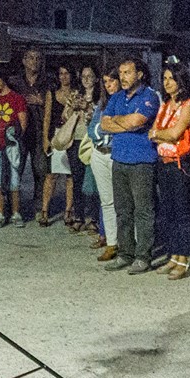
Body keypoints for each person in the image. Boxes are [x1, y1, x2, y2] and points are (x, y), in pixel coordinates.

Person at [100, 56, 161, 274]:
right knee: (122, 210)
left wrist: (121, 121)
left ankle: (143, 256)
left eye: (127, 72)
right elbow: (104, 124)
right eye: (121, 73)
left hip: (142, 161)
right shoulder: (117, 97)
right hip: (120, 160)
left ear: (140, 74)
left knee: (143, 211)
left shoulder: (150, 97)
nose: (123, 77)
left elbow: (137, 123)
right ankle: (126, 252)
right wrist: (124, 121)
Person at [149, 65, 190, 277]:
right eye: (165, 78)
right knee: (169, 211)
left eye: (172, 78)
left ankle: (184, 259)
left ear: (182, 81)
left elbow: (175, 133)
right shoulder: (166, 105)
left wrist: (159, 134)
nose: (167, 82)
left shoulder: (189, 106)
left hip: (181, 164)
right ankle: (174, 256)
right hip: (164, 162)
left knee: (182, 211)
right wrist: (161, 133)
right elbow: (154, 133)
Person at [46, 67, 92, 230]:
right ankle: (78, 216)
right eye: (84, 76)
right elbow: (64, 116)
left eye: (89, 76)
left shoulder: (101, 96)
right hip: (76, 140)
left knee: (92, 183)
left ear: (95, 78)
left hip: (92, 141)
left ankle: (93, 219)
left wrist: (87, 107)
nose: (86, 79)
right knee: (76, 179)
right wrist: (73, 107)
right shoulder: (75, 94)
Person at [9, 48, 50, 225]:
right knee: (15, 170)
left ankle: (39, 207)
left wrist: (42, 102)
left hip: (40, 131)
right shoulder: (14, 82)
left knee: (40, 170)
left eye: (38, 58)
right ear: (24, 61)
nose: (34, 61)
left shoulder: (48, 82)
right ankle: (14, 208)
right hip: (19, 133)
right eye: (31, 58)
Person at [0, 72, 29, 227]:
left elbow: (23, 123)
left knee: (14, 181)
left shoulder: (17, 99)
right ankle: (0, 214)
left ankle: (16, 213)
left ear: (3, 78)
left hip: (12, 147)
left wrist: (15, 138)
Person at [86, 69, 120, 258]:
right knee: (106, 201)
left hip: (115, 153)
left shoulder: (124, 102)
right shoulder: (102, 103)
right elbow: (94, 130)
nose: (108, 86)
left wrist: (107, 129)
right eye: (105, 82)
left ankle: (125, 242)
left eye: (112, 81)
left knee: (120, 201)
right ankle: (111, 242)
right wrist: (109, 128)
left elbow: (120, 129)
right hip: (100, 153)